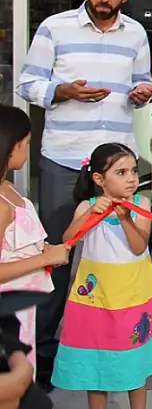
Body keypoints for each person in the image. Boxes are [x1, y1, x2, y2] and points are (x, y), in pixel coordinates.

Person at [15, 0, 152, 387]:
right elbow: (27, 85)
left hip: (112, 167)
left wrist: (143, 92)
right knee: (58, 255)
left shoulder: (135, 33)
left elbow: (144, 84)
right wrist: (64, 92)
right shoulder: (55, 27)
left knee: (112, 257)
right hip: (64, 158)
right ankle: (39, 355)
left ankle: (107, 344)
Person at [50, 143, 152, 408]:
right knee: (97, 363)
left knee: (135, 361)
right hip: (98, 300)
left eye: (134, 171)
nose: (131, 179)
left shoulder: (142, 204)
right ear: (99, 179)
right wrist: (92, 214)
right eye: (122, 172)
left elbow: (139, 247)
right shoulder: (86, 206)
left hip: (133, 297)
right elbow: (68, 239)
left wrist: (126, 219)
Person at [0, 107, 70, 375]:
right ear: (12, 145)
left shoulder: (8, 189)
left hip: (24, 311)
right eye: (27, 143)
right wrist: (44, 259)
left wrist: (45, 251)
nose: (28, 150)